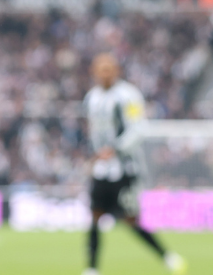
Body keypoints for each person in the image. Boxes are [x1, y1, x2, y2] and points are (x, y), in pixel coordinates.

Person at [82, 53, 186, 275]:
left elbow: (139, 128)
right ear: (94, 72)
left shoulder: (128, 96)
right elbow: (93, 132)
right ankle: (91, 269)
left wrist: (116, 149)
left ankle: (166, 256)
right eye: (101, 69)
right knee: (94, 217)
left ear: (116, 70)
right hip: (101, 171)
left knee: (131, 220)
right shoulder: (91, 98)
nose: (104, 74)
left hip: (124, 169)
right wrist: (94, 156)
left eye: (108, 69)